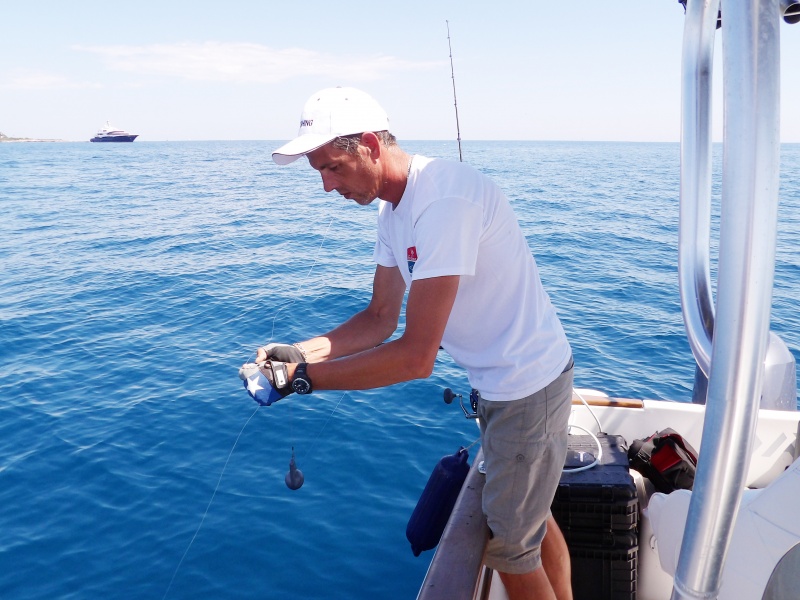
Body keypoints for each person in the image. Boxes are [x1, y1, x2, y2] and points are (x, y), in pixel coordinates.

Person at [256, 86, 574, 600]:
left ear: (368, 144)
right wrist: (300, 352)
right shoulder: (393, 212)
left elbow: (415, 357)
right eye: (319, 172)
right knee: (530, 521)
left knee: (512, 548)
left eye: (332, 167)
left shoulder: (444, 199)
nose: (325, 186)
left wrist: (303, 382)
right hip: (497, 384)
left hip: (526, 385)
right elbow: (380, 317)